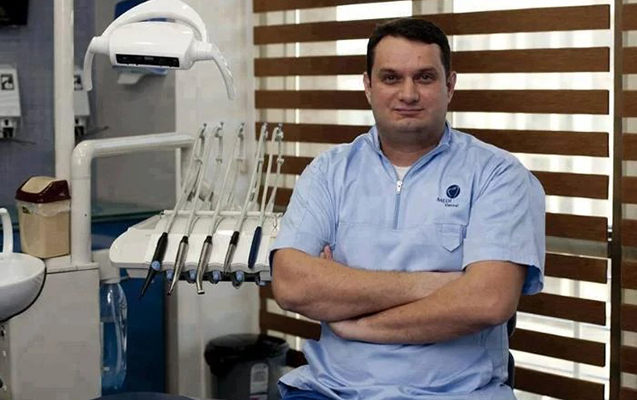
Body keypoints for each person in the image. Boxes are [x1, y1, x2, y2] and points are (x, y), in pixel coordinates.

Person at [269, 17, 545, 400]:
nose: (409, 93)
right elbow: (291, 285)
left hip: (456, 394)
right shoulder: (328, 172)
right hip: (331, 391)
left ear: (450, 85)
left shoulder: (498, 175)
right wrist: (436, 284)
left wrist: (357, 323)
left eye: (425, 77)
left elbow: (488, 301)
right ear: (368, 86)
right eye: (391, 78)